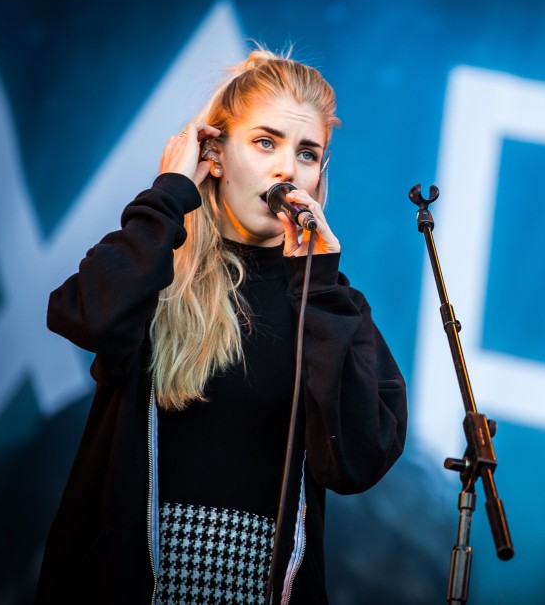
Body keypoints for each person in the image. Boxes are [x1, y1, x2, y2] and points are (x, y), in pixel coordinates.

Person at [34, 47, 408, 605]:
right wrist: (167, 196)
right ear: (214, 153)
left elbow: (358, 458)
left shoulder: (328, 300)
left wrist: (319, 287)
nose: (287, 168)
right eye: (265, 142)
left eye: (308, 153)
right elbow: (86, 314)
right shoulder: (156, 270)